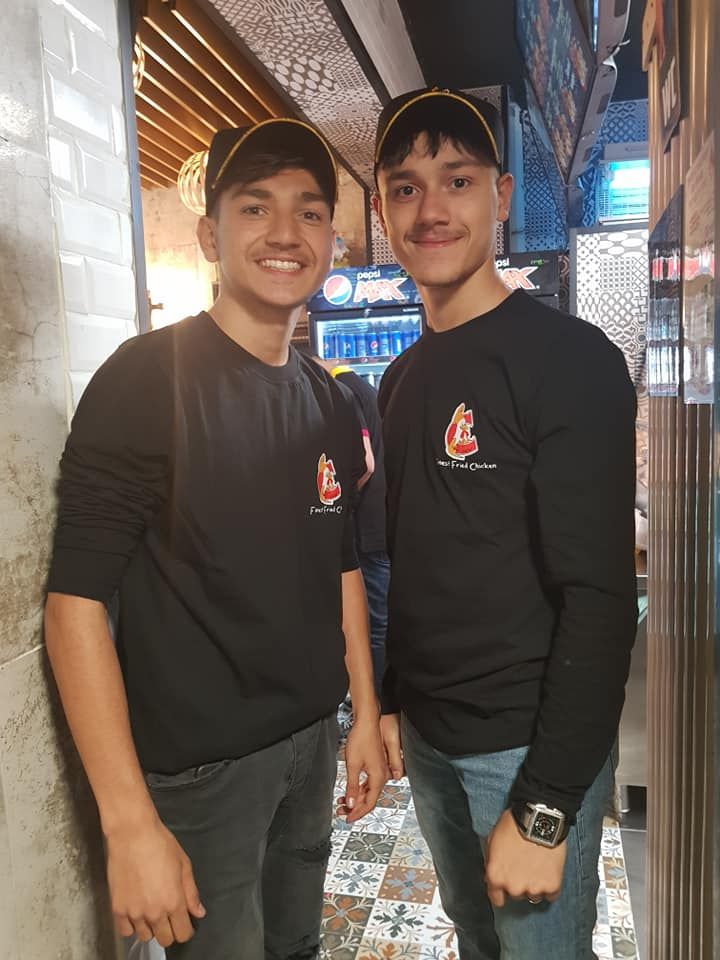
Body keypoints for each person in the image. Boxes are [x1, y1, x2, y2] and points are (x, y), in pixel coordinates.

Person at [44, 118, 387, 960]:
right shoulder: (145, 380)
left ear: (332, 243)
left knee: (296, 947)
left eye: (309, 212)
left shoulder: (328, 398)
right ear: (209, 235)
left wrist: (364, 711)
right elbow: (73, 606)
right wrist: (129, 824)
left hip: (310, 742)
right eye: (255, 207)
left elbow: (341, 562)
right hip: (203, 775)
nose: (285, 233)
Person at [373, 87, 637, 959]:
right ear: (380, 209)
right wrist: (390, 702)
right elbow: (412, 561)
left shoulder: (571, 361)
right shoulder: (400, 379)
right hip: (431, 740)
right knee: (477, 941)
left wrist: (547, 803)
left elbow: (600, 599)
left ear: (502, 193)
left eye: (458, 179)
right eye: (406, 187)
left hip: (525, 747)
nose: (432, 208)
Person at [303, 351, 390, 697]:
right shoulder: (365, 388)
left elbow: (365, 463)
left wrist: (341, 503)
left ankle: (377, 699)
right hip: (382, 518)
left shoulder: (343, 392)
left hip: (367, 525)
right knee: (380, 618)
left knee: (373, 623)